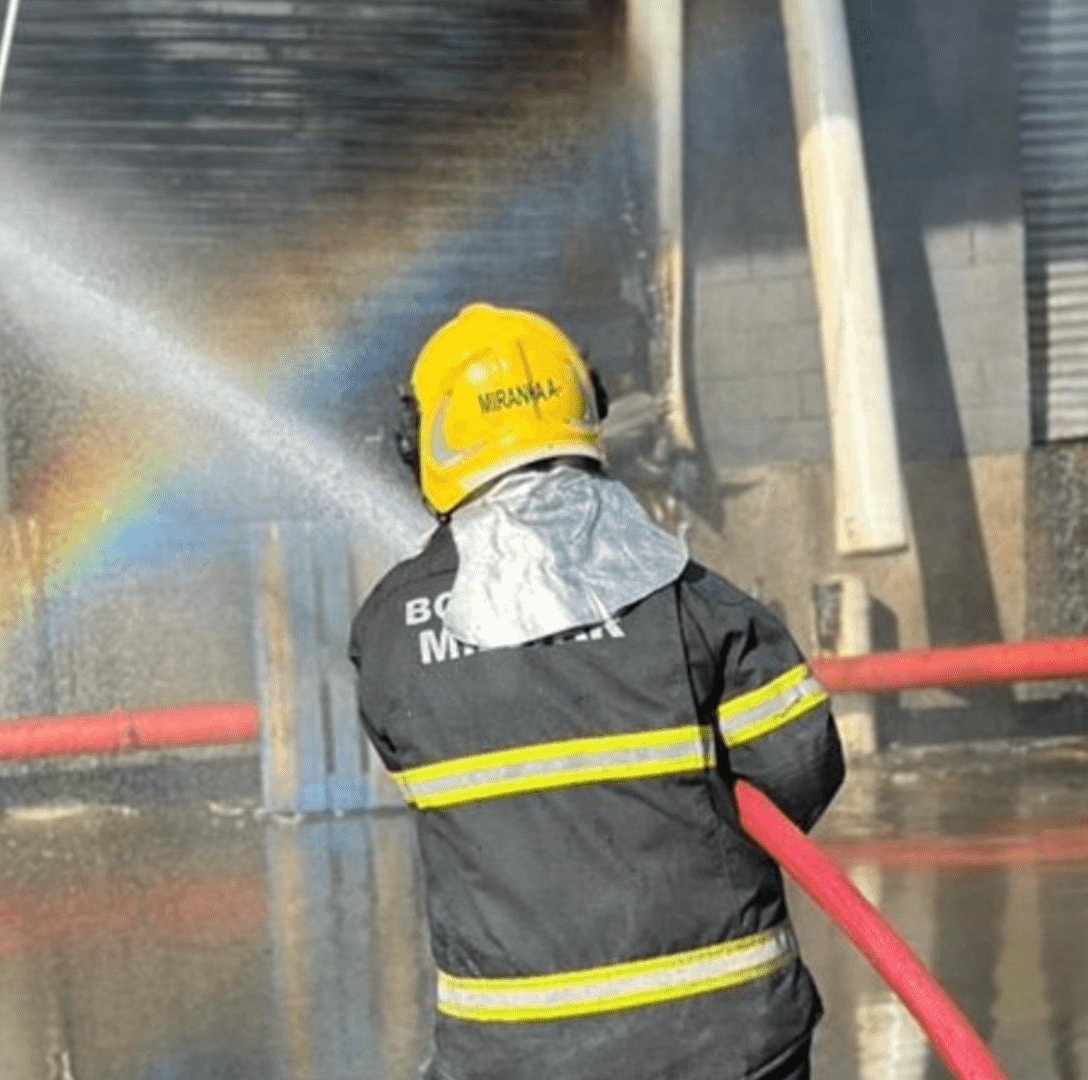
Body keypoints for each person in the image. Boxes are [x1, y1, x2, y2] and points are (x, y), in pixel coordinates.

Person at [348, 303, 846, 1080]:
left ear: (421, 444)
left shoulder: (387, 632)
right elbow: (800, 773)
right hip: (729, 1044)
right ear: (590, 413)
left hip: (514, 1059)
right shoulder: (693, 605)